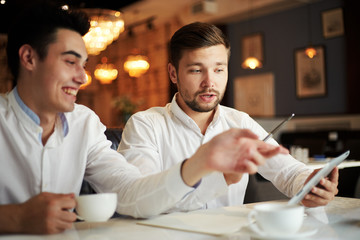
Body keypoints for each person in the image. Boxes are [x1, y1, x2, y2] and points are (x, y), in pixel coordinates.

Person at [0, 5, 289, 235]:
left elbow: (131, 196)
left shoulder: (84, 123)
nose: (83, 77)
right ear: (29, 58)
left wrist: (200, 163)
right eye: (70, 62)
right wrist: (15, 217)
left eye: (84, 64)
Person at [118, 22, 339, 212]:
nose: (209, 82)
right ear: (173, 73)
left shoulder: (239, 121)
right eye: (196, 70)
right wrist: (220, 179)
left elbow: (287, 171)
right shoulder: (145, 125)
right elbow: (140, 201)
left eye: (219, 70)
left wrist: (309, 184)